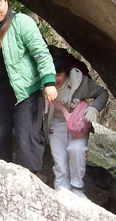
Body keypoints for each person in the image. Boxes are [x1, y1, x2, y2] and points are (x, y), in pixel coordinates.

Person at [0, 0, 57, 172]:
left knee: (26, 140)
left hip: (27, 94)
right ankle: (0, 181)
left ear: (6, 1)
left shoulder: (21, 22)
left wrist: (49, 81)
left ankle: (30, 184)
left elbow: (40, 52)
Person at [45, 56, 108, 197]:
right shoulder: (42, 84)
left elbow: (102, 93)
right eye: (51, 74)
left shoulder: (78, 82)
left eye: (58, 75)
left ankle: (77, 188)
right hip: (56, 124)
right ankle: (61, 192)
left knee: (76, 149)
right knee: (60, 162)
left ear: (66, 73)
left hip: (77, 124)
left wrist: (94, 108)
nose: (54, 79)